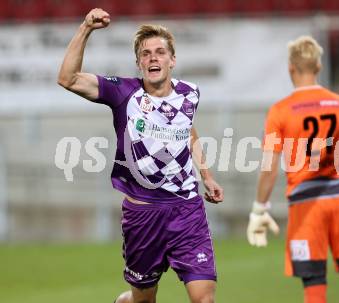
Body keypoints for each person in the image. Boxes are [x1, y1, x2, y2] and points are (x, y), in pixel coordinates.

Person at [58, 8, 224, 303]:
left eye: (160, 52)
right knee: (143, 300)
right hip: (142, 215)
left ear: (172, 60)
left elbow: (187, 130)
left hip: (187, 209)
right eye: (146, 54)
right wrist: (86, 28)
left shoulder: (190, 94)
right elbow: (67, 78)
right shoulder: (123, 93)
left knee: (204, 299)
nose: (153, 58)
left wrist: (206, 175)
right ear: (138, 63)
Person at [246, 36, 339, 303]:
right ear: (319, 67)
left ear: (291, 68)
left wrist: (258, 209)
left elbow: (269, 167)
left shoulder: (280, 111)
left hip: (306, 205)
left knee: (314, 285)